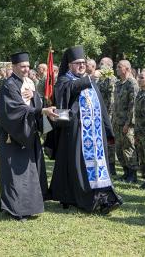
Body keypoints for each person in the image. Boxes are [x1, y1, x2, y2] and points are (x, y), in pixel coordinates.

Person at [49, 45, 122, 214]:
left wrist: (107, 129)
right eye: (77, 63)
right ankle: (82, 199)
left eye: (83, 63)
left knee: (98, 166)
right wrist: (87, 80)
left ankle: (104, 198)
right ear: (69, 65)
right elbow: (66, 94)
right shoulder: (64, 81)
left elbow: (102, 107)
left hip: (95, 133)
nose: (82, 66)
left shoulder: (89, 82)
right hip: (75, 133)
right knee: (79, 167)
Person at [0, 52, 58, 221]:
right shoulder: (9, 85)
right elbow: (15, 109)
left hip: (28, 133)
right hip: (14, 135)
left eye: (27, 66)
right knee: (15, 174)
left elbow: (34, 102)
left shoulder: (28, 82)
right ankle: (16, 209)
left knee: (30, 172)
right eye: (22, 66)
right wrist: (40, 110)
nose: (26, 69)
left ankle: (29, 207)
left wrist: (35, 98)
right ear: (14, 67)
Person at [113, 60, 139, 183]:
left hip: (126, 123)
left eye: (119, 67)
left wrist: (128, 124)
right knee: (119, 148)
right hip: (117, 121)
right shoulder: (118, 84)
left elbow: (133, 105)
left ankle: (132, 174)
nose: (116, 69)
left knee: (128, 148)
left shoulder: (132, 84)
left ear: (127, 69)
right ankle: (125, 172)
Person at [97, 57, 117, 175]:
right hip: (100, 114)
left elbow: (112, 100)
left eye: (102, 64)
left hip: (108, 115)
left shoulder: (112, 80)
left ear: (109, 66)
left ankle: (112, 166)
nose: (100, 66)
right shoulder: (101, 80)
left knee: (110, 141)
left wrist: (108, 116)